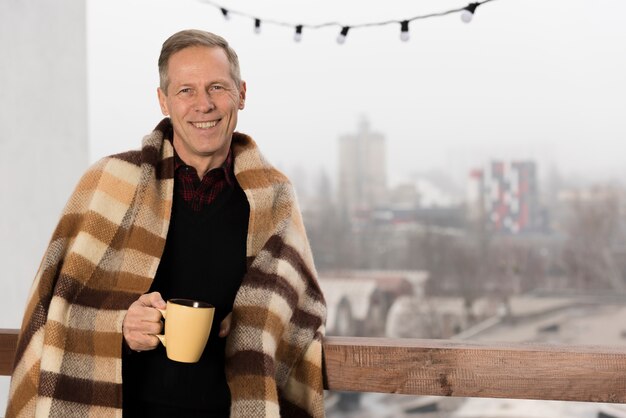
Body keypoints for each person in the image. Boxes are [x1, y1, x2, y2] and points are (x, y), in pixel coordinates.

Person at [6, 29, 327, 418]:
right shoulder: (108, 184)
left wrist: (251, 318)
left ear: (241, 93)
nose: (203, 105)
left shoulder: (274, 197)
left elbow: (300, 317)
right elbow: (52, 310)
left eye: (217, 87)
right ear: (163, 101)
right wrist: (120, 327)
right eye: (185, 91)